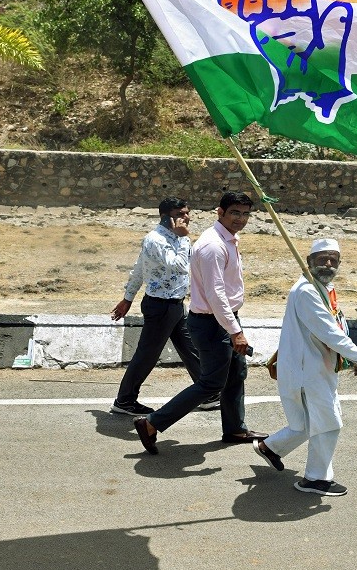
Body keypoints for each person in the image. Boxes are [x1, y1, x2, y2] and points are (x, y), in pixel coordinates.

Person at [134, 191, 266, 454]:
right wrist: (235, 331)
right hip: (211, 323)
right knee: (212, 383)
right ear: (220, 212)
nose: (240, 219)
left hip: (224, 320)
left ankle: (235, 428)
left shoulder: (228, 239)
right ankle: (151, 423)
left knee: (236, 373)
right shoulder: (212, 246)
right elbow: (216, 294)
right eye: (235, 213)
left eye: (245, 213)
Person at [251, 239, 357, 497]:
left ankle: (270, 448)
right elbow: (328, 331)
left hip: (315, 368)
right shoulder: (306, 292)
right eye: (322, 258)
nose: (328, 264)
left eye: (333, 260)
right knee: (328, 424)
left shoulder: (324, 287)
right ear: (308, 261)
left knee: (305, 424)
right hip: (307, 372)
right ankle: (316, 479)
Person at [110, 197, 217, 416]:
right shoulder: (155, 240)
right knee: (147, 355)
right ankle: (124, 400)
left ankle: (208, 394)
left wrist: (127, 298)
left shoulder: (174, 238)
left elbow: (139, 269)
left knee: (190, 348)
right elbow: (178, 266)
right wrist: (184, 240)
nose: (185, 217)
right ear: (165, 216)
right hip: (160, 307)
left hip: (175, 305)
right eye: (180, 214)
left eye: (186, 213)